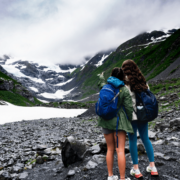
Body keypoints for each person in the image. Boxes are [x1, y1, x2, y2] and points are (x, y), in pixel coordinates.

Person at [122, 60, 158, 179]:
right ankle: (153, 167)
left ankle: (136, 170)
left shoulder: (124, 83)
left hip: (131, 117)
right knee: (145, 138)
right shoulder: (142, 81)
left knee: (132, 141)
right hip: (143, 115)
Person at [97, 67, 133, 180]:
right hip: (119, 123)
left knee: (110, 149)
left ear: (111, 75)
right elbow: (128, 107)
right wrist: (130, 120)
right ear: (122, 76)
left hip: (105, 121)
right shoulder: (124, 89)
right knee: (120, 150)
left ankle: (110, 176)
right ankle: (122, 178)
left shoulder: (106, 86)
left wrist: (101, 76)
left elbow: (101, 84)